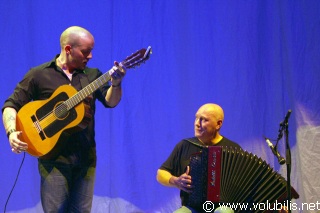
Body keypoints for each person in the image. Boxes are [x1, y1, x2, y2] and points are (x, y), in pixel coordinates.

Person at [2, 26, 126, 213]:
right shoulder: (39, 74)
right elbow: (11, 105)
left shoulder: (92, 76)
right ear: (68, 49)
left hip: (85, 160)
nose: (90, 56)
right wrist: (12, 131)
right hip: (53, 159)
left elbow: (110, 101)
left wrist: (116, 83)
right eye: (86, 51)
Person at [156, 103, 241, 213]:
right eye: (196, 118)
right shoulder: (185, 145)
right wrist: (175, 181)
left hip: (222, 207)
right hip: (192, 208)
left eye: (204, 120)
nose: (197, 123)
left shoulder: (233, 149)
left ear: (218, 124)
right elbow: (161, 173)